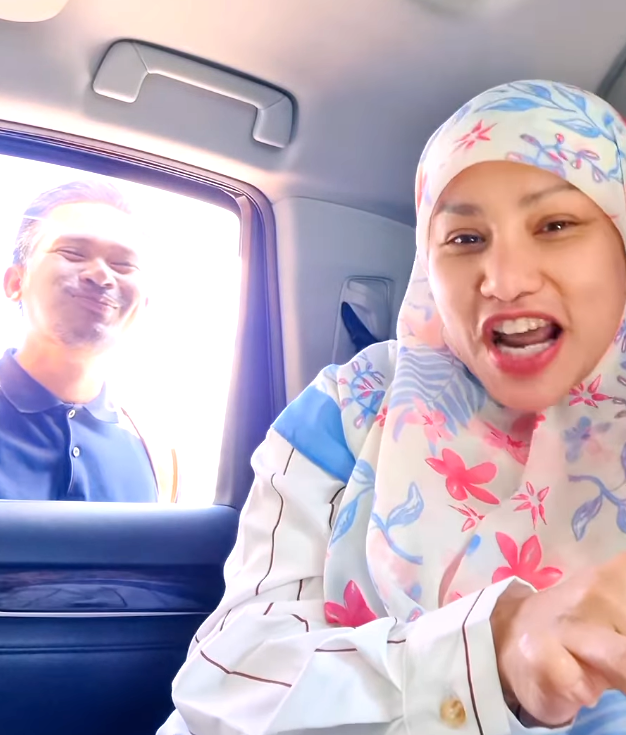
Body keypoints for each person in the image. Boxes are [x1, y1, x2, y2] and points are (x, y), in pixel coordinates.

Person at [158, 80, 626, 735]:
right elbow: (228, 678)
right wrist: (490, 654)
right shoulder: (353, 407)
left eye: (555, 226)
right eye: (464, 238)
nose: (505, 280)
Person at [0, 179, 179, 502]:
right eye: (73, 253)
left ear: (144, 305)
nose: (100, 275)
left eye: (123, 264)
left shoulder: (156, 458)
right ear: (15, 282)